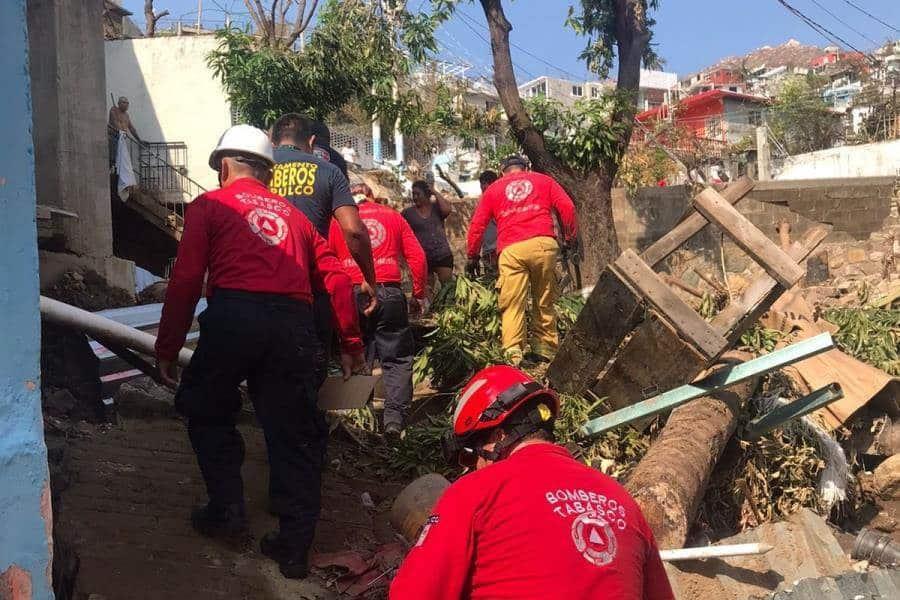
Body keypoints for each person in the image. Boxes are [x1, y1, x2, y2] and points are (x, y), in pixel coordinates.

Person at [154, 124, 365, 580]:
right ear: (268, 173)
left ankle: (226, 510)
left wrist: (168, 345)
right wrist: (351, 344)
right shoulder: (297, 219)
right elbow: (336, 280)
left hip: (233, 318)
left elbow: (187, 278)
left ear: (224, 166)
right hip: (293, 327)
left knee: (207, 409)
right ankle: (293, 549)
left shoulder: (209, 205)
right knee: (296, 434)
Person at [389, 365, 674, 600]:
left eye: (469, 457)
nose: (472, 467)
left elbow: (414, 594)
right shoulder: (621, 499)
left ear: (496, 436)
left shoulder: (476, 491)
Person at [269, 113, 377, 364]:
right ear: (312, 141)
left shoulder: (259, 169)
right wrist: (369, 279)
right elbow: (354, 231)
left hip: (260, 289)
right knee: (312, 369)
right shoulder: (329, 170)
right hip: (312, 288)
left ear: (272, 141)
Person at [328, 183, 428, 442]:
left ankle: (362, 419)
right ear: (372, 196)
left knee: (358, 353)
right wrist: (418, 294)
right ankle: (394, 421)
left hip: (351, 294)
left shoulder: (337, 221)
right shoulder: (392, 216)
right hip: (389, 292)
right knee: (396, 359)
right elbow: (417, 257)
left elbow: (326, 260)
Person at [466, 155, 577, 365]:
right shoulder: (544, 180)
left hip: (511, 250)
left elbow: (477, 225)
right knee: (544, 300)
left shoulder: (494, 189)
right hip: (543, 245)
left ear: (502, 172)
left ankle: (513, 354)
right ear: (527, 168)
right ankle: (544, 350)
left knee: (512, 304)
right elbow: (568, 208)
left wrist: (472, 255)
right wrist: (570, 238)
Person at [402, 180, 454, 295]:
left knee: (448, 288)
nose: (415, 197)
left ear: (426, 194)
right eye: (413, 194)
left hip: (442, 254)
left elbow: (447, 210)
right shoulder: (408, 213)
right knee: (427, 292)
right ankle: (431, 312)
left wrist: (434, 191)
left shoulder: (436, 208)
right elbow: (401, 232)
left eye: (418, 194)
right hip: (424, 258)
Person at [476, 170, 499, 274]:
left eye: (482, 185)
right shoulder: (484, 202)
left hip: (495, 251)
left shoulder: (490, 202)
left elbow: (477, 229)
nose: (482, 188)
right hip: (492, 251)